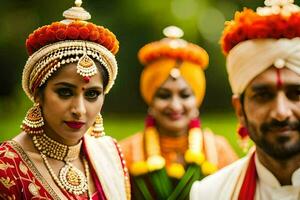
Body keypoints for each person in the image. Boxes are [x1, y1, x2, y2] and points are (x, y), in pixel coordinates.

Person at [0, 1, 130, 199]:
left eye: (92, 94)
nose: (80, 109)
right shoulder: (7, 167)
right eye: (65, 92)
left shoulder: (109, 155)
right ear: (38, 93)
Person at [190, 0, 300, 199]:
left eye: (297, 94)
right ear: (239, 109)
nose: (281, 112)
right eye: (263, 96)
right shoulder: (210, 194)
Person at [120, 26, 238, 199]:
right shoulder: (127, 153)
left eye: (185, 95)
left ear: (197, 99)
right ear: (150, 100)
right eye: (164, 95)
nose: (175, 106)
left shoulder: (218, 151)